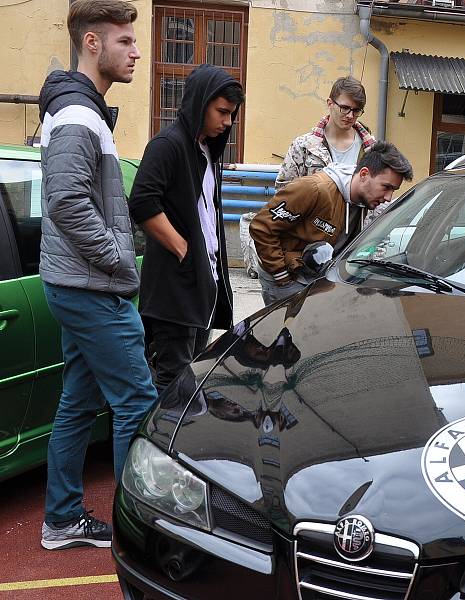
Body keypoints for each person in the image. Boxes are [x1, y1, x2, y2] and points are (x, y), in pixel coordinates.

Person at [37, 0, 157, 550]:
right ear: (92, 43)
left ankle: (61, 519)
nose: (136, 51)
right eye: (125, 41)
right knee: (136, 401)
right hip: (91, 287)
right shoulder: (79, 114)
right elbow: (64, 200)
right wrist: (117, 257)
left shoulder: (80, 109)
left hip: (76, 284)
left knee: (79, 403)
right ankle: (140, 526)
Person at [128, 64, 243, 393]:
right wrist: (182, 249)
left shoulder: (205, 150)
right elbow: (142, 203)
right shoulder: (168, 144)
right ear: (199, 103)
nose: (227, 122)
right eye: (222, 112)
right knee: (173, 388)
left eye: (232, 114)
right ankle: (159, 446)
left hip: (200, 291)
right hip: (173, 296)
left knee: (192, 382)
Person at [250, 141, 413, 305]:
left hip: (318, 279)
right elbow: (261, 227)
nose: (388, 197)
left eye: (393, 190)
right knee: (289, 328)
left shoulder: (364, 201)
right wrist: (282, 277)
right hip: (288, 277)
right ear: (363, 174)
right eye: (386, 187)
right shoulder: (314, 189)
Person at [275, 76, 376, 190]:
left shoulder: (372, 149)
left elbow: (379, 193)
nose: (350, 115)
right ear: (330, 103)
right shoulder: (303, 146)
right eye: (344, 108)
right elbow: (283, 191)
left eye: (356, 110)